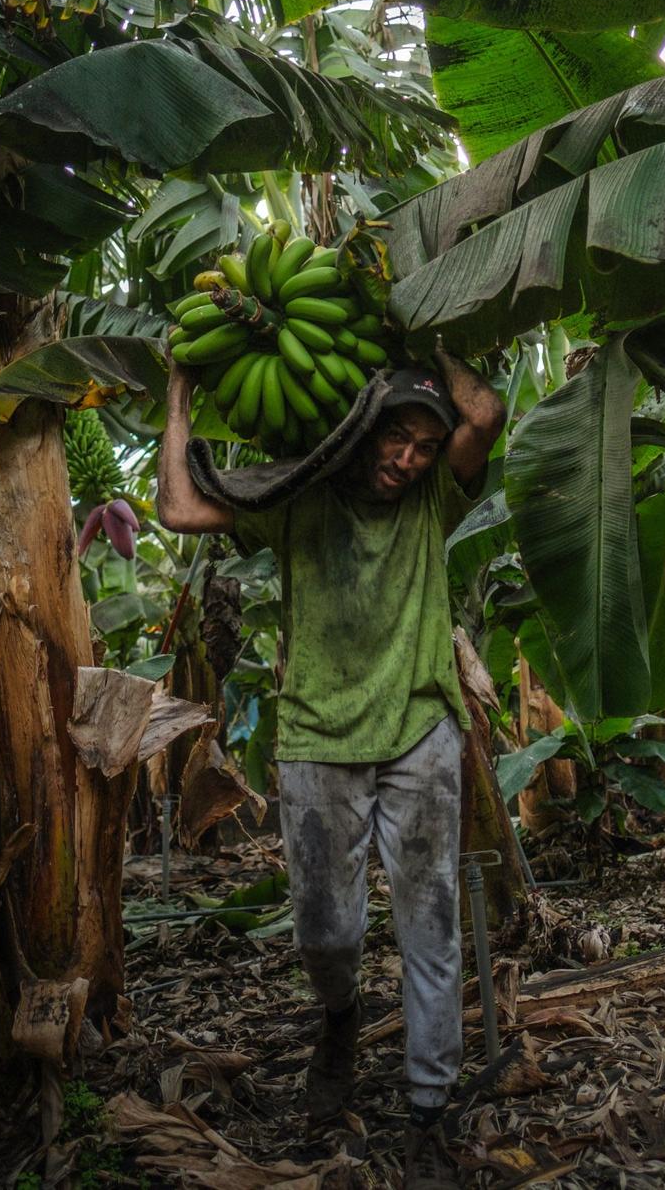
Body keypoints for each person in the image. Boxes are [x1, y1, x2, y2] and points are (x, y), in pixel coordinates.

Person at [156, 351, 505, 1190]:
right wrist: (178, 388)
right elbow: (177, 504)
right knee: (326, 932)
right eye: (396, 436)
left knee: (431, 929)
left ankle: (428, 1113)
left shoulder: (434, 496)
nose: (408, 458)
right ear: (360, 429)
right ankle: (341, 1015)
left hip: (420, 728)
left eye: (425, 443)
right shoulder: (299, 497)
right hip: (317, 735)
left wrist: (411, 332)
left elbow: (485, 413)